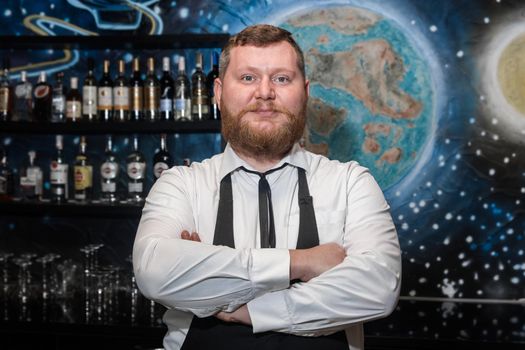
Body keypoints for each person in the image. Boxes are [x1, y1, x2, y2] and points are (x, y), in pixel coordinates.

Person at [133, 24, 401, 350]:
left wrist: (240, 305)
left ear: (305, 92)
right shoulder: (181, 184)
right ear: (218, 92)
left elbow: (377, 288)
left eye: (281, 78)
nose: (264, 92)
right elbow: (154, 273)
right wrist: (301, 263)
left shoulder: (351, 183)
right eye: (248, 78)